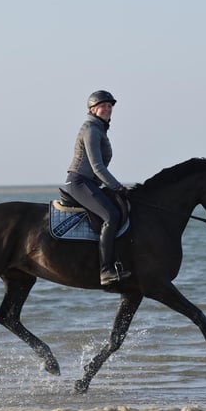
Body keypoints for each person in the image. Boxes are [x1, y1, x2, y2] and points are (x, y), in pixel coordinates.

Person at [62, 90, 132, 287]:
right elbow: (97, 167)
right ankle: (105, 271)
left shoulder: (99, 128)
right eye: (103, 106)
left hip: (90, 183)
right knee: (111, 216)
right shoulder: (92, 129)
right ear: (93, 109)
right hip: (79, 182)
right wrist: (117, 187)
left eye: (110, 106)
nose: (108, 109)